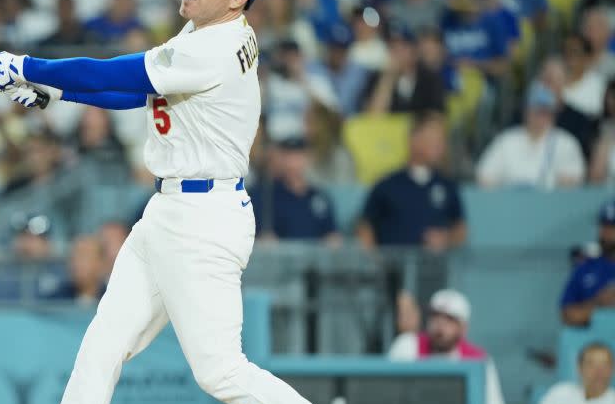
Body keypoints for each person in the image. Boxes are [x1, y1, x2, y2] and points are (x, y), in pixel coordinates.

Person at [0, 0, 402, 404]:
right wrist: (50, 89)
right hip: (168, 214)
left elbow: (123, 72)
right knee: (101, 347)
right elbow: (133, 90)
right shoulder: (200, 37)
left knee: (221, 371)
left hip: (205, 219)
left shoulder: (221, 46)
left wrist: (29, 66)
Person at [387, 289, 518, 404]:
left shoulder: (479, 359)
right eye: (435, 316)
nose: (440, 324)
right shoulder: (408, 345)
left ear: (463, 327)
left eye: (449, 319)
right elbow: (387, 402)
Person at [357, 113, 466, 250]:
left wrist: (447, 238)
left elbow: (460, 228)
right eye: (432, 139)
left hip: (433, 269)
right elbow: (366, 226)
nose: (439, 146)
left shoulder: (447, 186)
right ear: (413, 139)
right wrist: (374, 260)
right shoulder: (387, 185)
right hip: (394, 269)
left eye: (441, 140)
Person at [476, 82, 585, 189]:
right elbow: (484, 175)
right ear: (526, 112)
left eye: (545, 111)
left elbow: (573, 180)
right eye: (535, 111)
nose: (540, 117)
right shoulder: (506, 140)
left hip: (550, 203)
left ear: (553, 114)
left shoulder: (566, 142)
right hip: (510, 202)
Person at [249, 129, 341, 244]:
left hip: (314, 261)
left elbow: (332, 235)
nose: (293, 163)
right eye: (288, 156)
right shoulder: (265, 195)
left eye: (298, 156)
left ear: (308, 158)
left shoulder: (319, 197)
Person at [560, 200, 615, 327]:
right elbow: (567, 314)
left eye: (612, 227)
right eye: (603, 225)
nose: (606, 232)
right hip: (596, 342)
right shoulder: (586, 268)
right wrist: (599, 303)